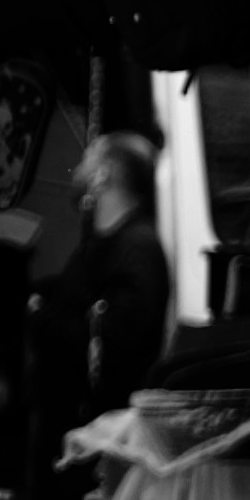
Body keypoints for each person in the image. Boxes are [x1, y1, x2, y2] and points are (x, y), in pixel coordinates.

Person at [67, 128, 176, 418]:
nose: (77, 170)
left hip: (104, 425)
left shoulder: (137, 251)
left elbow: (114, 349)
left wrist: (39, 318)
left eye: (86, 161)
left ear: (103, 174)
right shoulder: (98, 245)